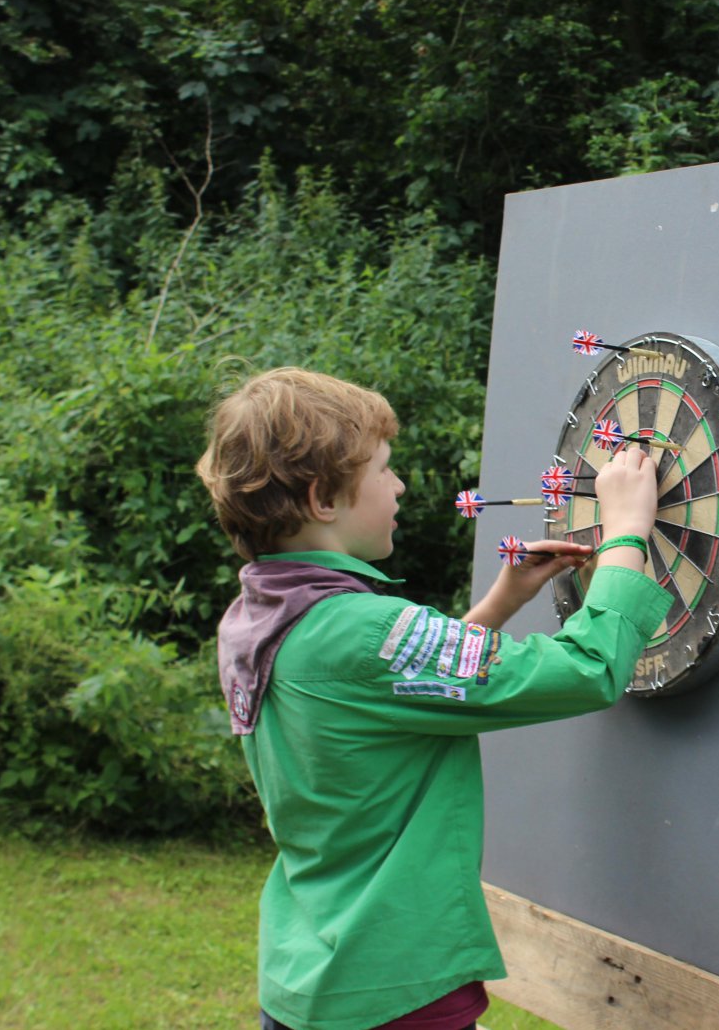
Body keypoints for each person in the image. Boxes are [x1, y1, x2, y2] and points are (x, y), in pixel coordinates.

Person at [195, 367, 666, 1030]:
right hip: (393, 989)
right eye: (384, 470)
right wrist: (627, 533)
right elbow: (587, 669)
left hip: (311, 978)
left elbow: (381, 700)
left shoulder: (260, 619)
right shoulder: (364, 632)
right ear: (322, 499)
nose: (399, 485)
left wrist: (500, 604)